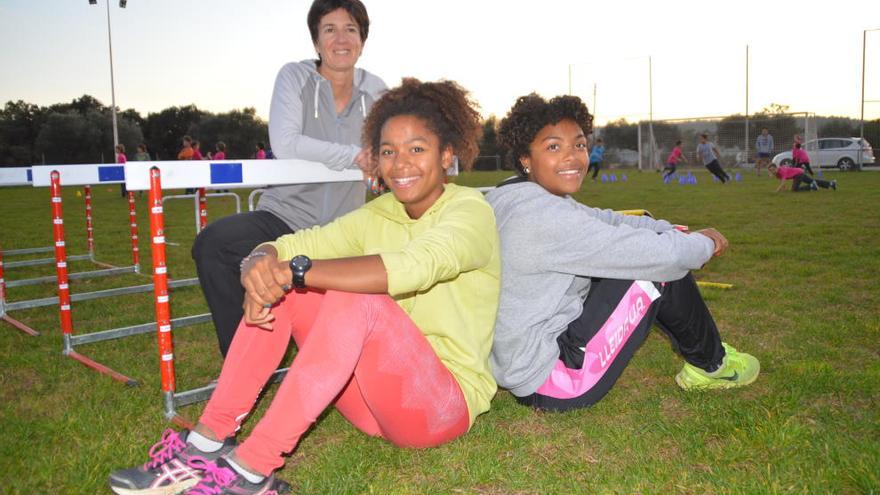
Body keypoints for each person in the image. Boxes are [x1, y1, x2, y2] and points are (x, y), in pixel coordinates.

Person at [108, 78, 499, 495]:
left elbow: (416, 265)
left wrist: (294, 270)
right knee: (293, 286)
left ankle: (253, 472)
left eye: (417, 149)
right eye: (388, 151)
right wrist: (258, 264)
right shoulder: (380, 213)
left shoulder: (469, 211)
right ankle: (207, 441)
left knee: (348, 295)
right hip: (371, 404)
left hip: (439, 407)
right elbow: (298, 243)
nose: (401, 164)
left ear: (448, 155)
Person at [486, 93, 760, 413]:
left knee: (650, 244)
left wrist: (665, 228)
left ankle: (709, 357)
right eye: (553, 147)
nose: (573, 157)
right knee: (656, 268)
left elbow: (603, 218)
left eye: (578, 145)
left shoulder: (514, 192)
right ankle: (713, 367)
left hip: (520, 354)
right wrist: (706, 244)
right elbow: (666, 258)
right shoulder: (543, 216)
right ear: (525, 157)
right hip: (551, 379)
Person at [191, 0, 387, 357]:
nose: (340, 38)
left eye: (350, 29)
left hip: (344, 228)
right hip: (283, 216)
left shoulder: (376, 90)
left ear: (362, 40)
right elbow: (286, 143)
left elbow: (387, 150)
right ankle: (245, 358)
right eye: (330, 29)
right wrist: (354, 156)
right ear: (316, 41)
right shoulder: (294, 76)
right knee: (213, 244)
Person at [768, 163, 836, 192]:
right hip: (799, 172)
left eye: (773, 169)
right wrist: (783, 189)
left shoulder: (782, 170)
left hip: (798, 174)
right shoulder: (777, 174)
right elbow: (782, 182)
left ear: (776, 168)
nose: (772, 171)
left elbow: (783, 182)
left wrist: (776, 191)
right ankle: (831, 183)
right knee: (812, 181)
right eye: (771, 170)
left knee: (794, 189)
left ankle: (811, 186)